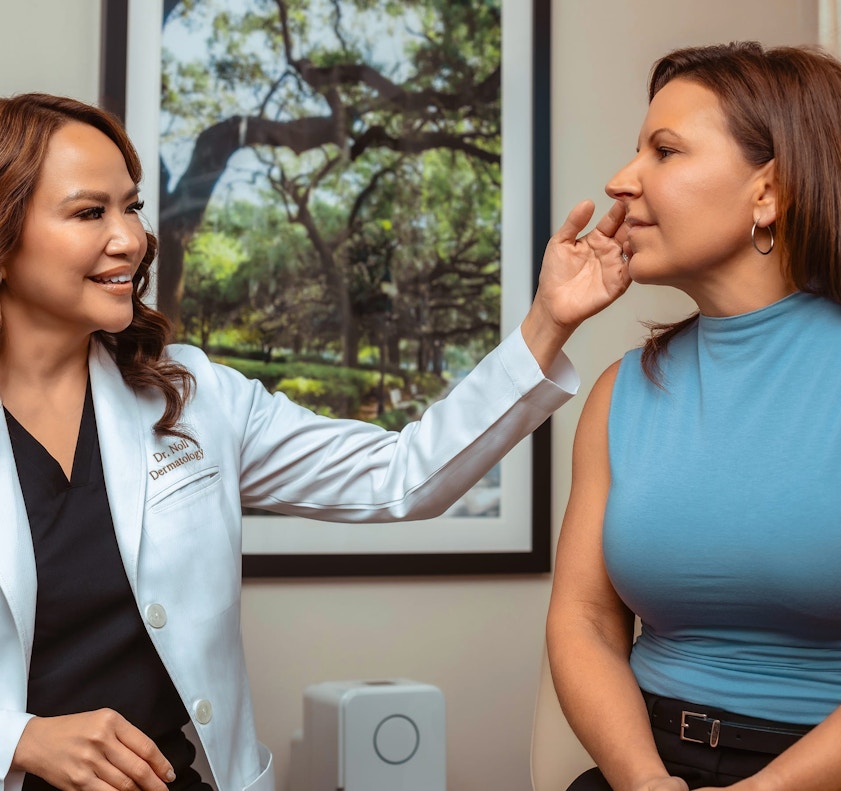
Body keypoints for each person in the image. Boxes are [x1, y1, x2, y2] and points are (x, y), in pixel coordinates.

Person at [0, 92, 631, 791]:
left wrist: (547, 323)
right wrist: (19, 738)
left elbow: (400, 475)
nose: (131, 238)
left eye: (133, 206)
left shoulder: (192, 395)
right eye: (91, 211)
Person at [546, 41, 841, 791]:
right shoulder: (621, 393)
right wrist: (644, 781)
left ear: (769, 192)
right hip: (648, 767)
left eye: (666, 151)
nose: (622, 181)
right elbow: (582, 620)